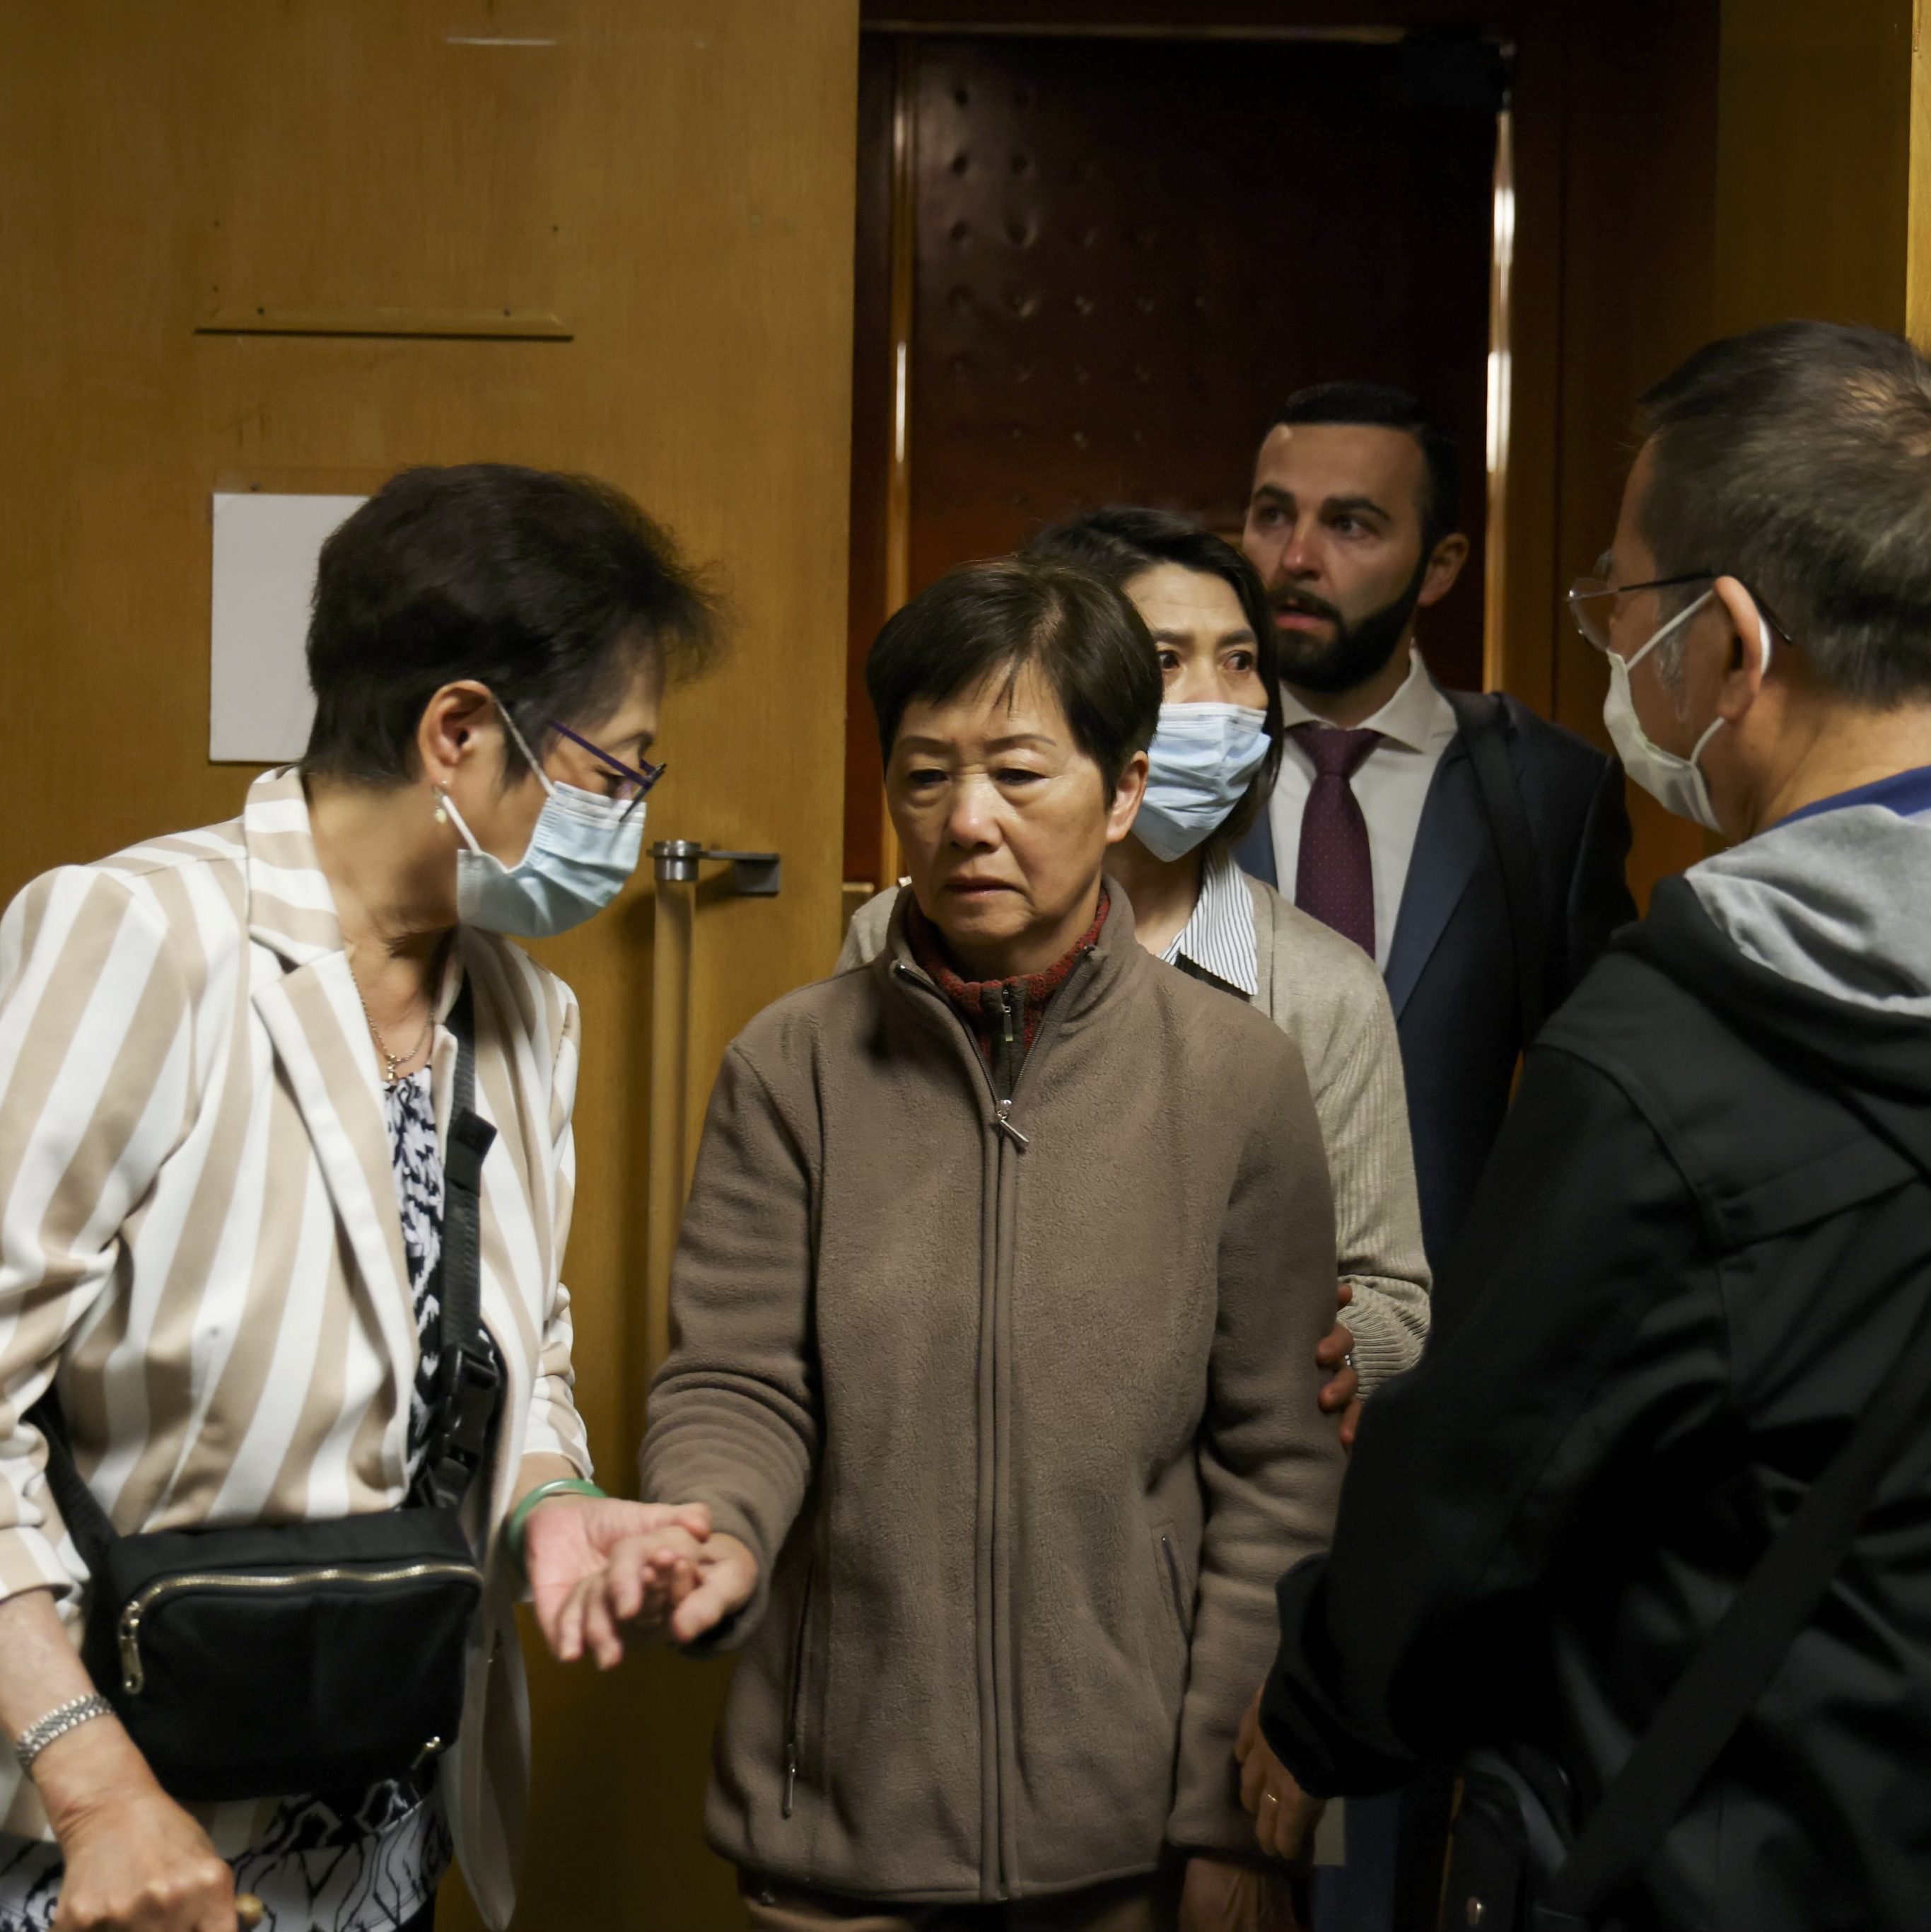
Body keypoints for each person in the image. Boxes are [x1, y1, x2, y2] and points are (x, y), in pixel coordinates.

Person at [1254, 321, 1931, 1930]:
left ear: (1734, 645)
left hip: (1723, 1833)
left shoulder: (1676, 1033)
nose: (1614, 648)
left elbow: (1488, 1475)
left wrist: (1319, 1708)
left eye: (1625, 602)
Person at [0, 465, 718, 1932]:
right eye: (616, 769)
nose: (633, 816)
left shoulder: (526, 1015)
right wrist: (93, 1787)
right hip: (111, 1824)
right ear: (459, 731)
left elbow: (521, 1355)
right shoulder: (144, 937)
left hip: (379, 1813)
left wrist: (553, 1506)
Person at [636, 558, 1344, 1929]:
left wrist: (1227, 1823)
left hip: (1132, 1839)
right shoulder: (793, 1067)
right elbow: (737, 1378)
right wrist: (713, 1528)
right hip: (835, 1827)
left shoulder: (1238, 1079)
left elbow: (1275, 1468)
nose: (967, 821)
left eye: (1019, 774)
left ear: (1123, 790)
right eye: (923, 776)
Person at [840, 509, 1429, 1438]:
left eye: (1239, 662)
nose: (1218, 704)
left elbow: (1389, 1301)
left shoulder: (1321, 989)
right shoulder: (894, 935)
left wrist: (1297, 1356)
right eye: (1162, 660)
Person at [1234, 383, 1635, 1270]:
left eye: (1351, 525)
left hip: (1446, 1348)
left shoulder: (1545, 790)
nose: (1295, 556)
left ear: (1442, 564)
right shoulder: (1168, 772)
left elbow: (1608, 1105)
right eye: (1272, 515)